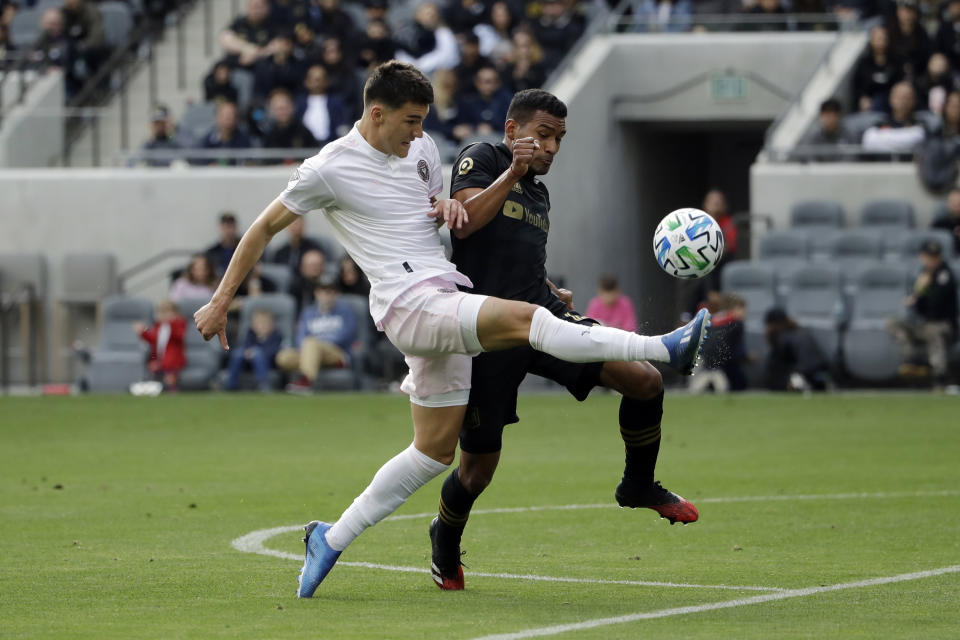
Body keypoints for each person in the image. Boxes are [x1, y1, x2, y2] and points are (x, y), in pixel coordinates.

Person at [191, 60, 710, 598]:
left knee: (434, 452)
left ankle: (330, 537)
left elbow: (437, 217)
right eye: (411, 122)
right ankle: (664, 345)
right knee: (530, 320)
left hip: (447, 297)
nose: (420, 134)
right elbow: (262, 228)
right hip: (409, 304)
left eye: (423, 122)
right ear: (376, 113)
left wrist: (444, 208)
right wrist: (220, 301)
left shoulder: (421, 151)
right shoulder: (330, 168)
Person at [427, 88, 699, 591]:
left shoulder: (539, 192)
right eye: (544, 135)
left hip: (543, 316)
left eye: (560, 139)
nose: (552, 147)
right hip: (486, 330)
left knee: (643, 380)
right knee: (476, 472)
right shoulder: (483, 158)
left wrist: (550, 286)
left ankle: (637, 484)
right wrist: (512, 171)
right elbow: (465, 229)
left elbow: (516, 256)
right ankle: (443, 539)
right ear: (513, 132)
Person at [888, 240, 958, 388]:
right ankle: (911, 361)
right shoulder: (923, 274)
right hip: (924, 323)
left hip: (944, 325)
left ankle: (940, 375)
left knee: (932, 330)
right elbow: (918, 308)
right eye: (927, 256)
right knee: (894, 323)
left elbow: (937, 306)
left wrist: (923, 290)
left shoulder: (945, 275)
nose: (930, 260)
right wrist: (916, 295)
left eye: (934, 257)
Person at [278, 278, 359, 391]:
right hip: (312, 352)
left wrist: (319, 343)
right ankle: (312, 363)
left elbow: (347, 335)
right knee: (284, 357)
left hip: (337, 352)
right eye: (323, 291)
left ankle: (306, 382)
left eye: (330, 292)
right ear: (316, 293)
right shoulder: (308, 313)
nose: (326, 295)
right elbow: (301, 336)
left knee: (311, 342)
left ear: (336, 294)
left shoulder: (345, 311)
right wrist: (312, 348)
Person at [763, 308, 830, 392]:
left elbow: (776, 364)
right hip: (820, 369)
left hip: (803, 372)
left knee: (779, 382)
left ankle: (801, 385)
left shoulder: (783, 337)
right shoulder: (802, 332)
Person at [224, 308, 283, 391]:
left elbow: (273, 351)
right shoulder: (250, 333)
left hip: (267, 362)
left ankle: (263, 383)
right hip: (248, 361)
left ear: (271, 325)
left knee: (257, 353)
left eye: (264, 324)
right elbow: (246, 345)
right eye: (258, 324)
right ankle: (231, 383)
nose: (261, 326)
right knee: (238, 353)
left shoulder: (275, 335)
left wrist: (255, 352)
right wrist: (248, 352)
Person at [135, 300, 187, 391]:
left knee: (170, 375)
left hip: (174, 359)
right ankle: (157, 388)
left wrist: (172, 323)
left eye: (167, 312)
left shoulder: (179, 324)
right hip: (161, 359)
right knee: (153, 369)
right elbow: (153, 338)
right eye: (162, 312)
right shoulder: (159, 326)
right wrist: (143, 332)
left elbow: (179, 336)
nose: (164, 315)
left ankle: (172, 389)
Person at [861, 81, 927, 154]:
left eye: (906, 97)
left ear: (914, 101)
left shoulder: (920, 124)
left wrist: (884, 137)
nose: (902, 101)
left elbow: (916, 139)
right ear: (891, 99)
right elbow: (869, 140)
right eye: (898, 97)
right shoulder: (881, 123)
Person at [296, 64, 349, 148]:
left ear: (326, 81)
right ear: (306, 81)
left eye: (320, 79)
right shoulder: (299, 103)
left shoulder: (336, 103)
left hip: (329, 145)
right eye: (314, 79)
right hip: (305, 146)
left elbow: (342, 125)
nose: (317, 82)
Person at [260, 88, 318, 160]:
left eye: (285, 107)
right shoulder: (267, 135)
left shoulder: (304, 133)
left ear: (293, 107)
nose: (282, 112)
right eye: (278, 108)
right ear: (271, 110)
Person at [205, 212, 241, 277]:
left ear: (236, 228)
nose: (228, 231)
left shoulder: (244, 249)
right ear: (220, 228)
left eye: (231, 227)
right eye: (226, 227)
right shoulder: (212, 252)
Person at [933, 186, 960, 252]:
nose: (955, 205)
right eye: (953, 201)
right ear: (948, 203)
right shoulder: (939, 224)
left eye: (959, 202)